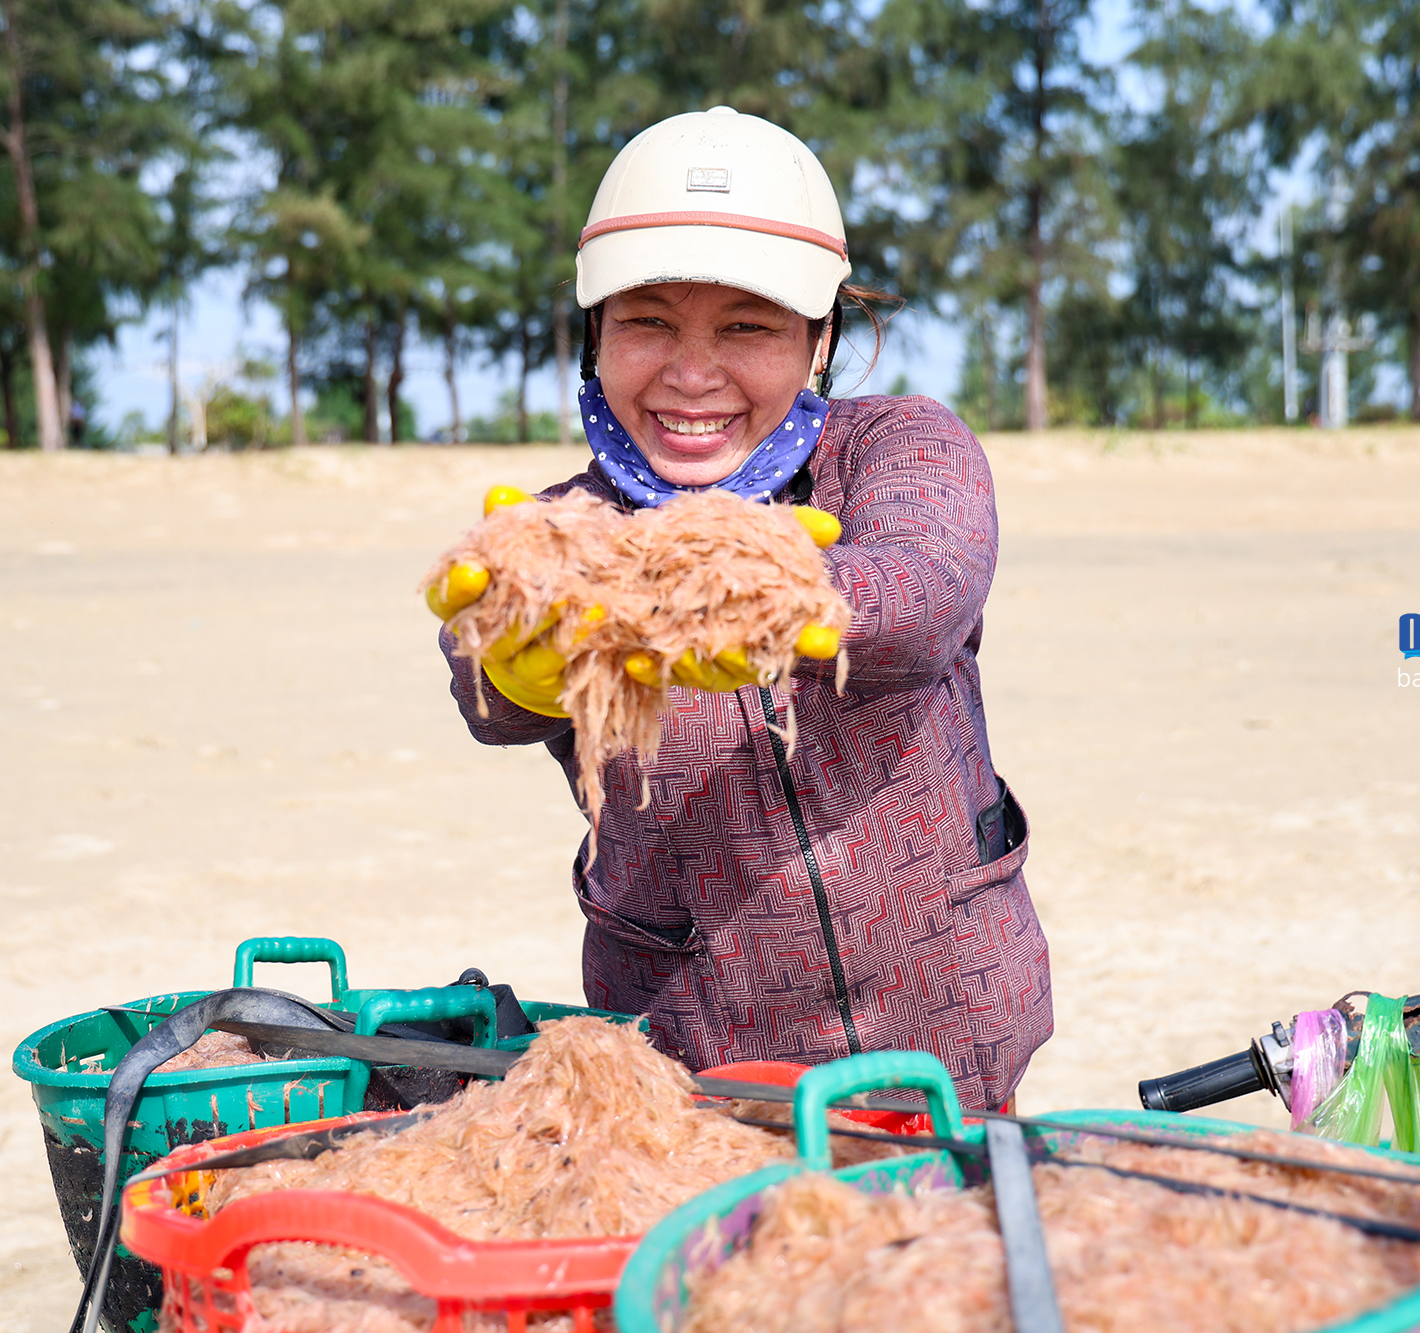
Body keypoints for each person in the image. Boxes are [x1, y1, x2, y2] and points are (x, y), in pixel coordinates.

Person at [431, 107, 1050, 1111]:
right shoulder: (561, 531)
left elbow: (922, 590)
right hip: (694, 1061)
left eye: (746, 326)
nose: (690, 371)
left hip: (949, 1050)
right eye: (647, 321)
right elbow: (488, 680)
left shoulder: (899, 448)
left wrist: (779, 598)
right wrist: (503, 665)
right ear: (594, 333)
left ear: (820, 338)